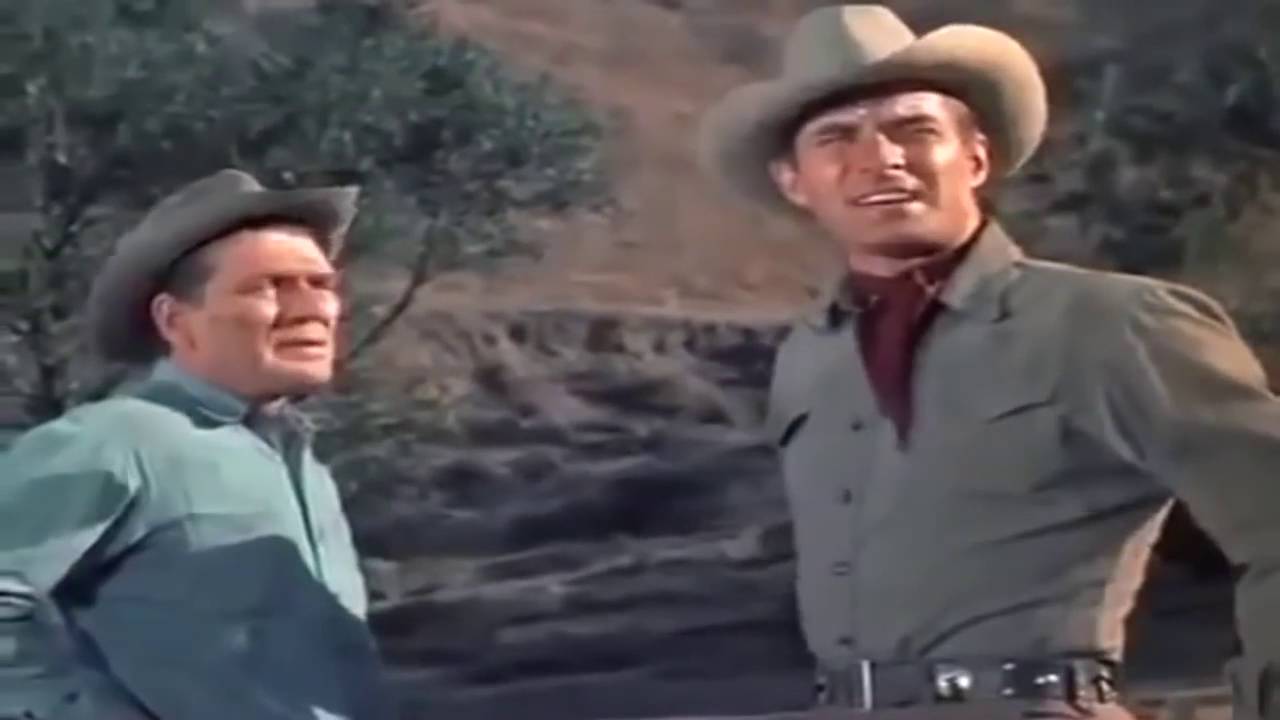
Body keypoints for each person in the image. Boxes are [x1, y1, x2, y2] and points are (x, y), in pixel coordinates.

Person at [697, 5, 1280, 719]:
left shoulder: (1109, 324)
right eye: (837, 137)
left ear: (974, 157)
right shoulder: (810, 356)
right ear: (796, 182)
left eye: (914, 130)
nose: (881, 158)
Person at [0, 169, 392, 719]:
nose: (313, 308)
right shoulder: (115, 439)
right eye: (270, 286)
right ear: (175, 320)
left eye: (321, 284)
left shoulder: (304, 467)